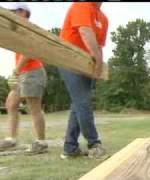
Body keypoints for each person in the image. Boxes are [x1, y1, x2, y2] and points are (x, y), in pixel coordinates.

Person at [58, 2, 109, 159]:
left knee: (78, 105)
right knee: (83, 102)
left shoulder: (103, 18)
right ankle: (94, 144)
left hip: (87, 64)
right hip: (68, 59)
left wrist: (98, 67)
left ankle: (70, 148)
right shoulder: (81, 5)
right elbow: (85, 31)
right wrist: (97, 59)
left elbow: (99, 46)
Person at [0, 3, 48, 154]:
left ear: (22, 12)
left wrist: (15, 71)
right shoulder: (17, 29)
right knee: (11, 104)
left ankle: (41, 142)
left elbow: (29, 52)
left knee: (34, 108)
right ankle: (11, 139)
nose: (10, 14)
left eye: (12, 11)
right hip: (22, 73)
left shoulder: (29, 28)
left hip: (33, 72)